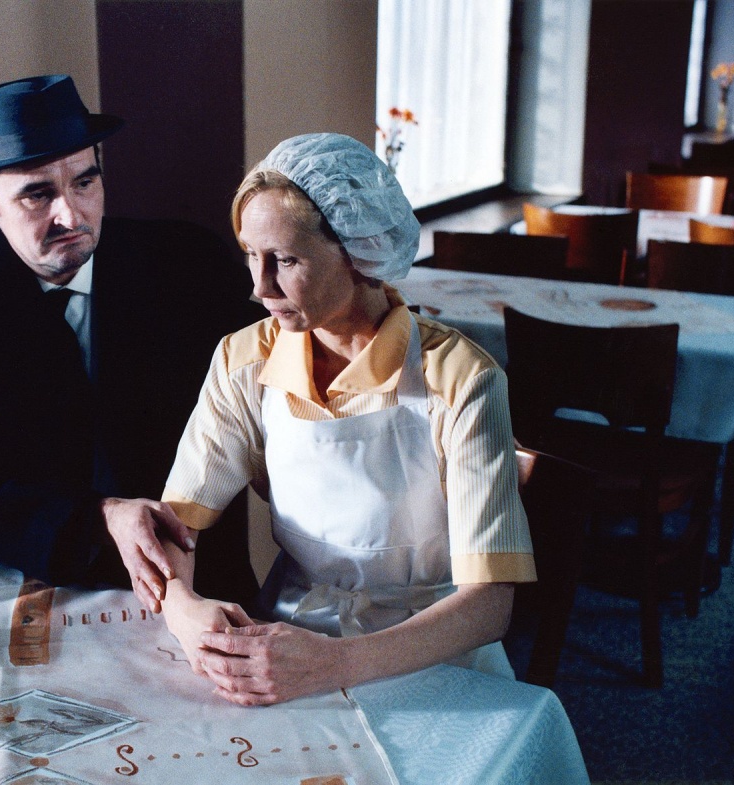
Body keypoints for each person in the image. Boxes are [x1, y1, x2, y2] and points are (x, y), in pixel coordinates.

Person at [122, 133, 536, 706]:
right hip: (288, 636)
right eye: (251, 255)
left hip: (433, 653)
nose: (259, 286)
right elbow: (175, 526)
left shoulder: (461, 379)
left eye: (286, 260)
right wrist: (184, 612)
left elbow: (490, 605)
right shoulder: (244, 361)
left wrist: (336, 664)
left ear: (362, 251)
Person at [0, 75, 260, 602]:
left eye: (85, 183)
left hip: (201, 578)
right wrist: (101, 518)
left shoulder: (187, 263)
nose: (71, 215)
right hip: (35, 584)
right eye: (37, 194)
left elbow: (271, 389)